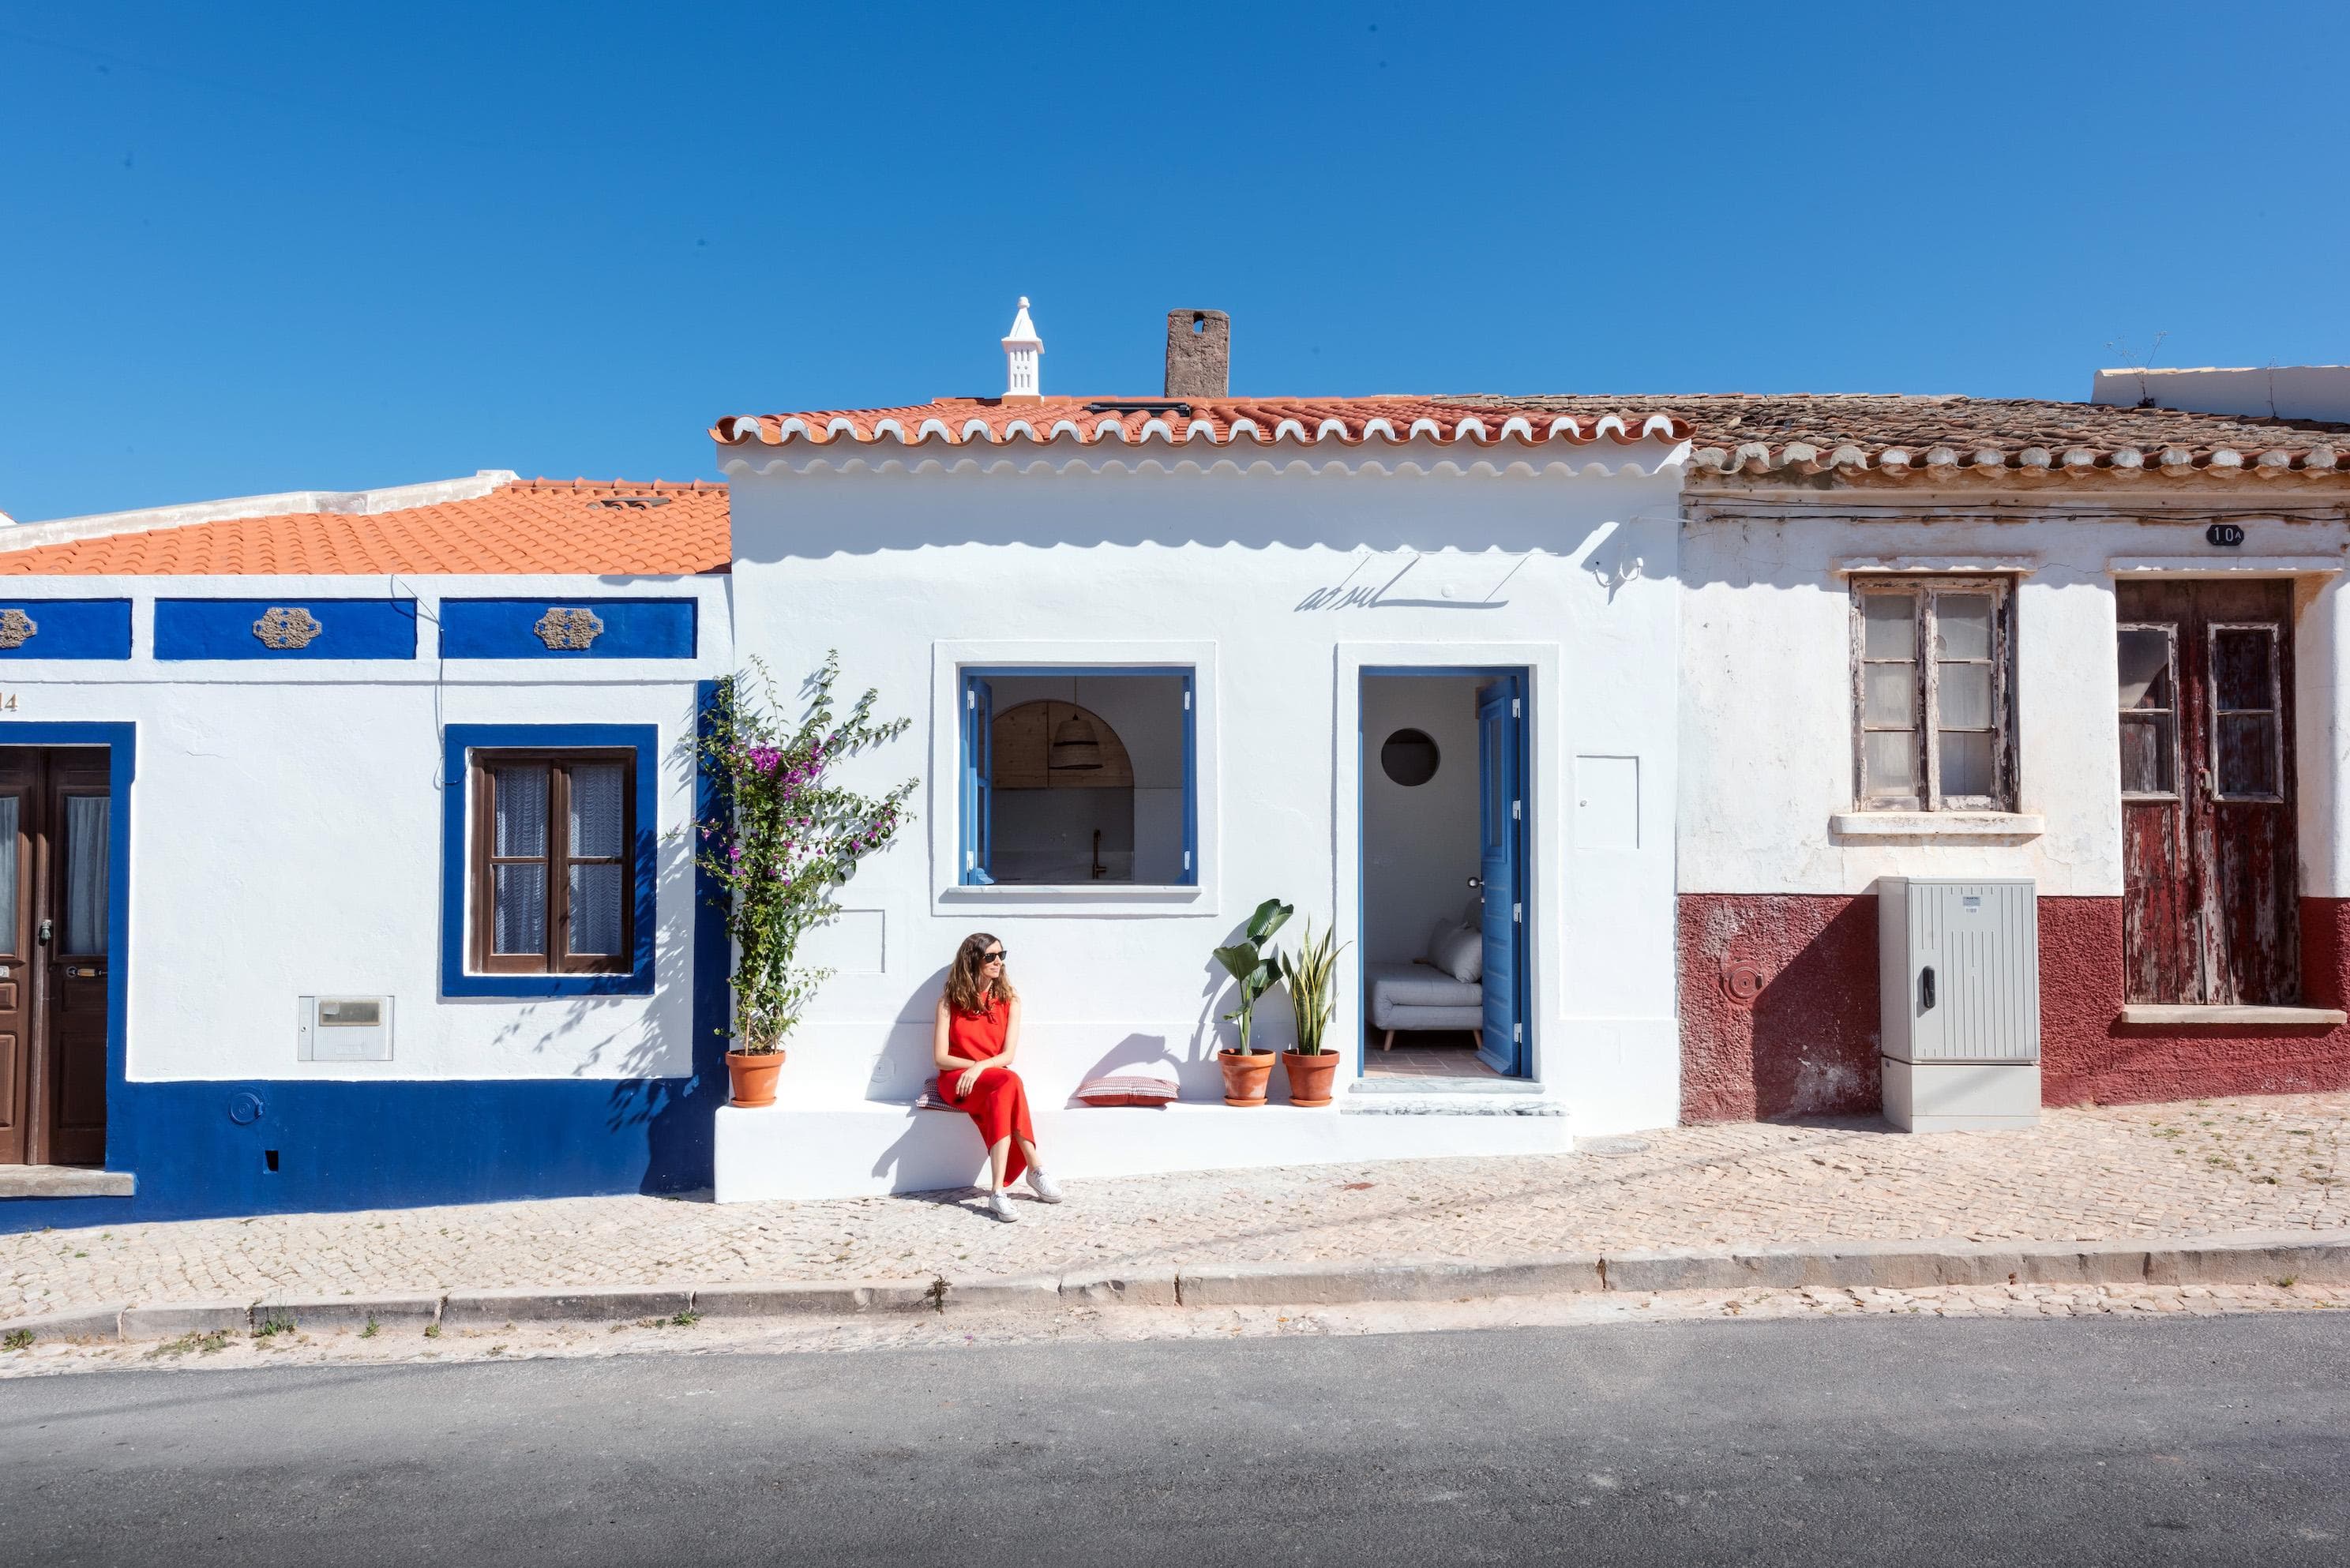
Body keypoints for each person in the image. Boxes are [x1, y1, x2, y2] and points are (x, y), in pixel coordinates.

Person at [933, 932, 1061, 1221]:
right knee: (1009, 1082)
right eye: (989, 956)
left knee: (1008, 1081)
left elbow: (1008, 1056)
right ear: (973, 959)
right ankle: (1035, 1170)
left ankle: (998, 1192)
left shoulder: (1009, 1000)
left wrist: (979, 1067)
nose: (997, 962)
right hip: (956, 1080)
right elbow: (940, 1058)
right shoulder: (948, 1001)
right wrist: (973, 1068)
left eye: (1001, 956)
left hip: (990, 1076)